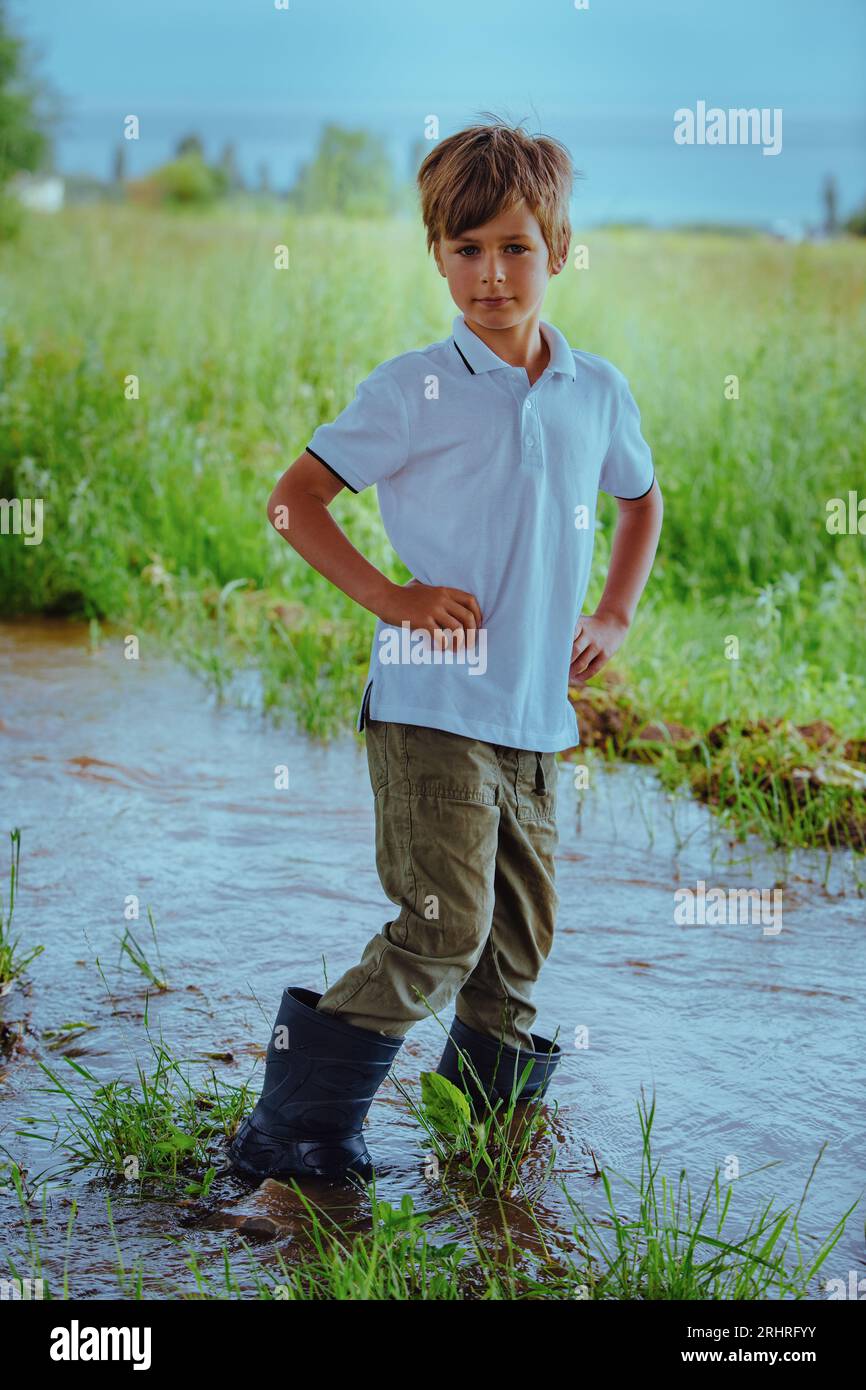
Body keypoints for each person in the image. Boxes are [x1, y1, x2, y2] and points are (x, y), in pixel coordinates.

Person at [228, 117, 663, 1185]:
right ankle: (289, 1135)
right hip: (429, 708)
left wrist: (610, 616)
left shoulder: (593, 389)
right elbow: (294, 503)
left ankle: (481, 1161)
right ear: (436, 254)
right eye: (464, 248)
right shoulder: (409, 387)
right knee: (441, 928)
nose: (489, 273)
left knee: (513, 954)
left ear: (555, 251)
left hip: (533, 721)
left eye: (513, 247)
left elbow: (641, 501)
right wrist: (392, 593)